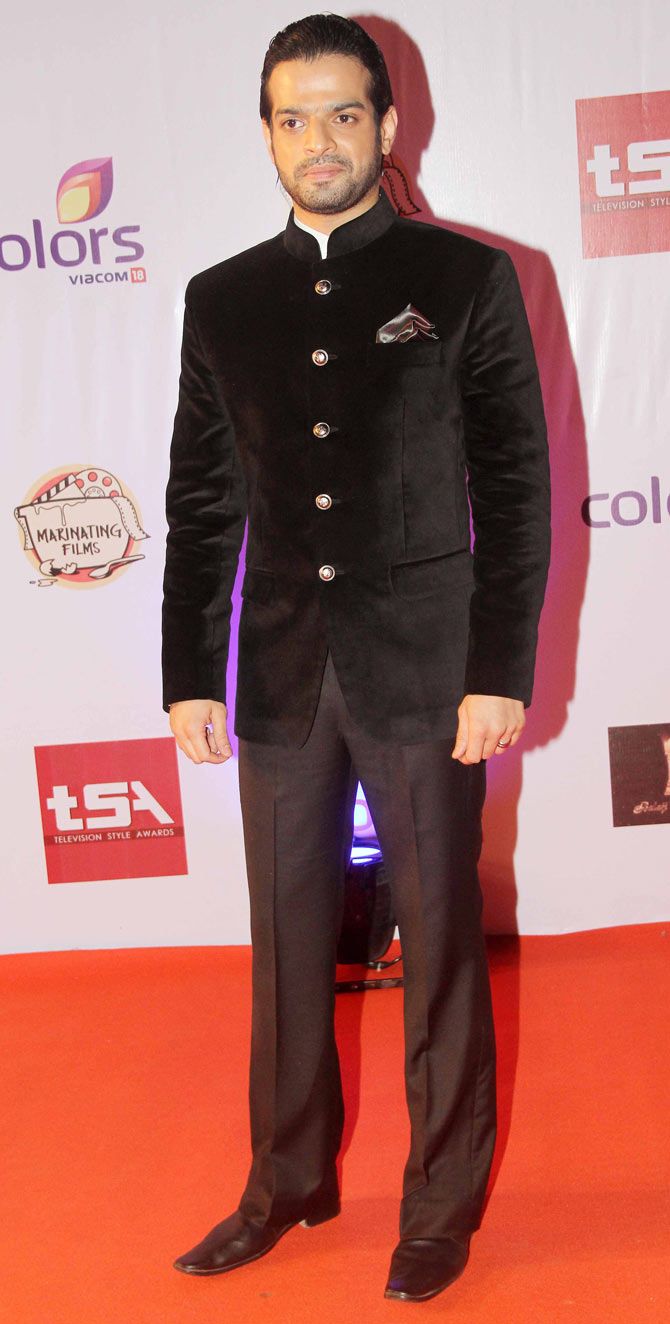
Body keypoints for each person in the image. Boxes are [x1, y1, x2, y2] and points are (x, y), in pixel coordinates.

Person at [161, 12, 550, 1304]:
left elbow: (514, 484)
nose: (316, 141)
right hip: (276, 674)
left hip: (430, 673)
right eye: (291, 117)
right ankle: (287, 1180)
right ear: (265, 134)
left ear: (387, 128)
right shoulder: (220, 300)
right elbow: (203, 501)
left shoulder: (463, 280)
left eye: (342, 115)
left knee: (439, 946)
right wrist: (186, 674)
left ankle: (437, 1206)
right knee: (282, 948)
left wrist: (500, 669)